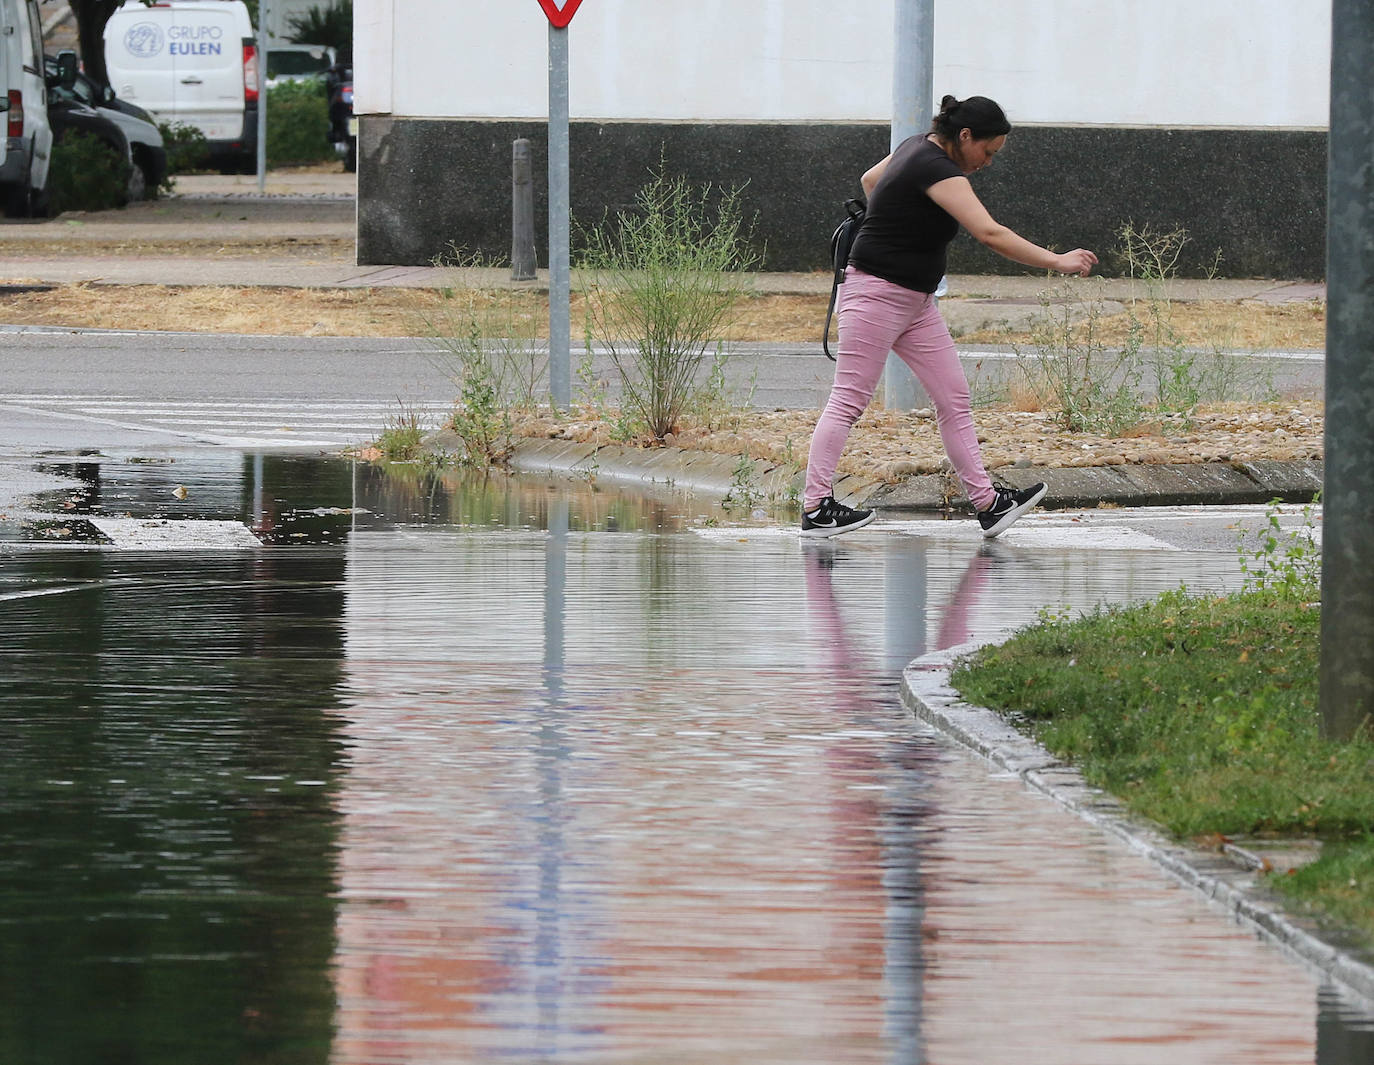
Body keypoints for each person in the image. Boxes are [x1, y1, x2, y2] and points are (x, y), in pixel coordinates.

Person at [801, 94, 1098, 539]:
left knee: (954, 398)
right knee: (849, 401)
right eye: (987, 151)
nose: (988, 162)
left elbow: (870, 180)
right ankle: (816, 507)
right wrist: (1057, 261)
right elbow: (989, 233)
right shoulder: (936, 167)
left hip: (915, 303)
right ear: (964, 136)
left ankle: (988, 504)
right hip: (877, 294)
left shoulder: (913, 147)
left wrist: (900, 221)